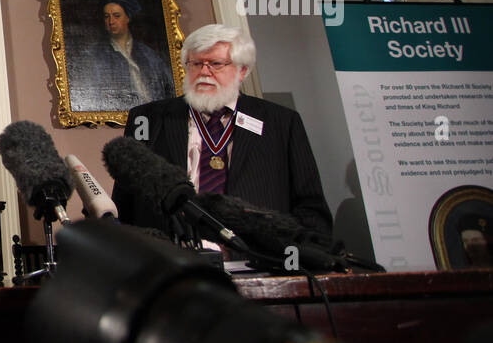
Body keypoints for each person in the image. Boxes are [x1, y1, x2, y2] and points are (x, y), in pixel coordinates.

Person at [112, 23, 333, 236]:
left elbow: (309, 204)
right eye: (196, 64)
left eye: (216, 64)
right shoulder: (148, 118)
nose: (204, 72)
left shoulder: (281, 122)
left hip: (256, 257)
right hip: (171, 258)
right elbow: (126, 201)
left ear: (242, 70)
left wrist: (303, 256)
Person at [69, 0, 175, 112]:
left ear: (128, 18)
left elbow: (168, 87)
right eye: (106, 16)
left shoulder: (147, 54)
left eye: (116, 15)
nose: (111, 21)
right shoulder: (94, 55)